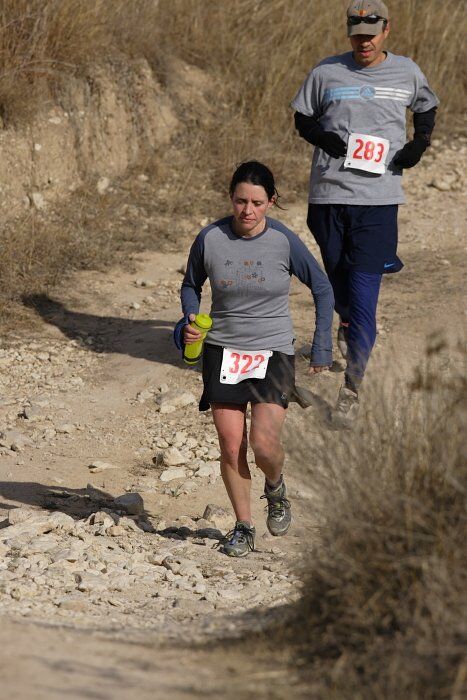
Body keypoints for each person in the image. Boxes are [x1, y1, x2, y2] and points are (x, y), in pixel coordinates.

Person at [175, 161, 334, 557]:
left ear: (271, 202)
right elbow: (190, 285)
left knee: (263, 446)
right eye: (241, 201)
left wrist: (321, 347)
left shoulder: (284, 242)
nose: (248, 211)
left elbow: (323, 288)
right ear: (231, 199)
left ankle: (276, 488)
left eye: (258, 203)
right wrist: (191, 318)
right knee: (231, 446)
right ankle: (244, 526)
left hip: (272, 350)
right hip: (223, 351)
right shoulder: (210, 238)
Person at [291, 0, 439, 426]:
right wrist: (321, 135)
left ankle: (352, 388)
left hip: (378, 201)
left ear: (386, 31)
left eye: (371, 33)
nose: (364, 41)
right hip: (328, 198)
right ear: (348, 33)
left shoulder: (407, 71)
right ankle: (347, 322)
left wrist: (419, 143)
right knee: (340, 285)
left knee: (365, 298)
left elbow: (427, 106)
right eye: (356, 34)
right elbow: (302, 117)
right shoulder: (326, 72)